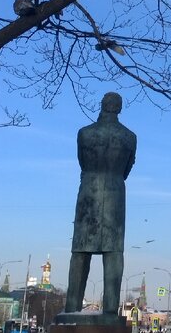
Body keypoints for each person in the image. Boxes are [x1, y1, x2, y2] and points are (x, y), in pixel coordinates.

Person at [64, 92, 137, 314]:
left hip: (89, 191)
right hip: (115, 194)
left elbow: (82, 163)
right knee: (114, 251)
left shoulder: (85, 134)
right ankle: (110, 312)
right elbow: (126, 170)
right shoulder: (129, 137)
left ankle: (72, 308)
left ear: (102, 105)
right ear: (119, 108)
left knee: (80, 252)